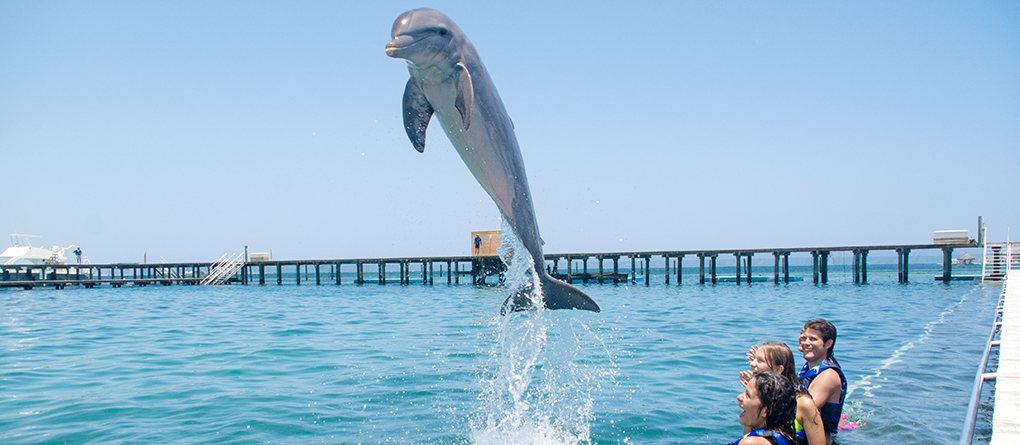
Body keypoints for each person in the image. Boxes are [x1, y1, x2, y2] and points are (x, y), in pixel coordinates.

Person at [741, 342, 825, 445]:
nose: (752, 364)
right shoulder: (757, 399)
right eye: (754, 359)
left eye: (760, 361)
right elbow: (747, 435)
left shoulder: (803, 403)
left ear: (778, 369)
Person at [797, 319, 847, 443]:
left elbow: (801, 412)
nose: (806, 343)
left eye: (813, 339)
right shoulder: (809, 369)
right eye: (804, 339)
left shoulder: (828, 376)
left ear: (828, 344)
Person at [729, 371, 798, 445]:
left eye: (748, 395)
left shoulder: (751, 443)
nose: (739, 397)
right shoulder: (781, 437)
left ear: (766, 411)